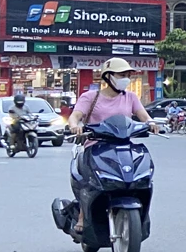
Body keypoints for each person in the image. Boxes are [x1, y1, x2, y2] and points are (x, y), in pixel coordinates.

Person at [67, 59, 162, 229]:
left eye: (127, 75)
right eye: (121, 75)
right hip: (95, 146)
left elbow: (144, 116)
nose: (125, 78)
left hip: (123, 146)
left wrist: (151, 123)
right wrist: (75, 126)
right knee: (88, 180)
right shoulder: (90, 96)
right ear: (108, 76)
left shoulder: (131, 97)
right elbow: (75, 116)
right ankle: (83, 214)